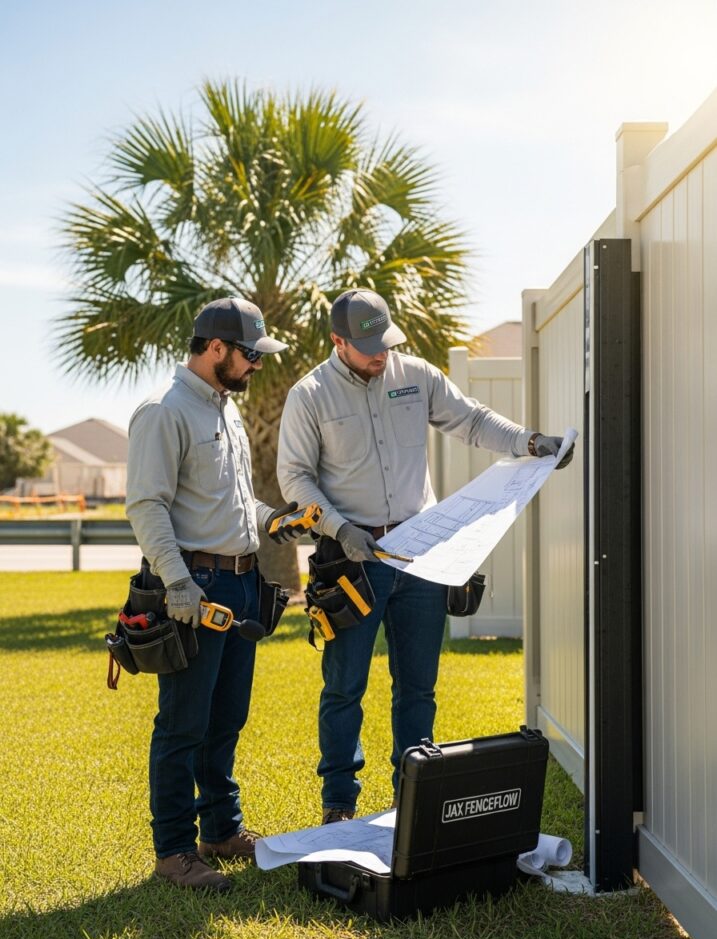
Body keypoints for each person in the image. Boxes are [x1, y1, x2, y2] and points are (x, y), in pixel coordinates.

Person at [277, 288, 573, 824]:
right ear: (337, 342)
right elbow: (295, 479)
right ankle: (338, 805)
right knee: (345, 684)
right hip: (350, 562)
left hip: (421, 555)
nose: (380, 355)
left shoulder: (417, 375)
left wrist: (531, 442)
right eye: (367, 346)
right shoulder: (310, 395)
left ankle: (409, 798)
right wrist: (341, 530)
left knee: (418, 685)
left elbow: (474, 421)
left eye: (385, 342)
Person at [126, 296, 310, 891]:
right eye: (250, 355)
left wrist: (274, 520)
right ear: (215, 349)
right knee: (183, 723)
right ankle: (174, 851)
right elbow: (146, 504)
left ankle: (221, 831)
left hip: (239, 579)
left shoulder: (225, 409)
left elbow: (231, 504)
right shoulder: (164, 411)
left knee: (227, 717)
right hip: (195, 586)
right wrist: (176, 580)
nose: (257, 365)